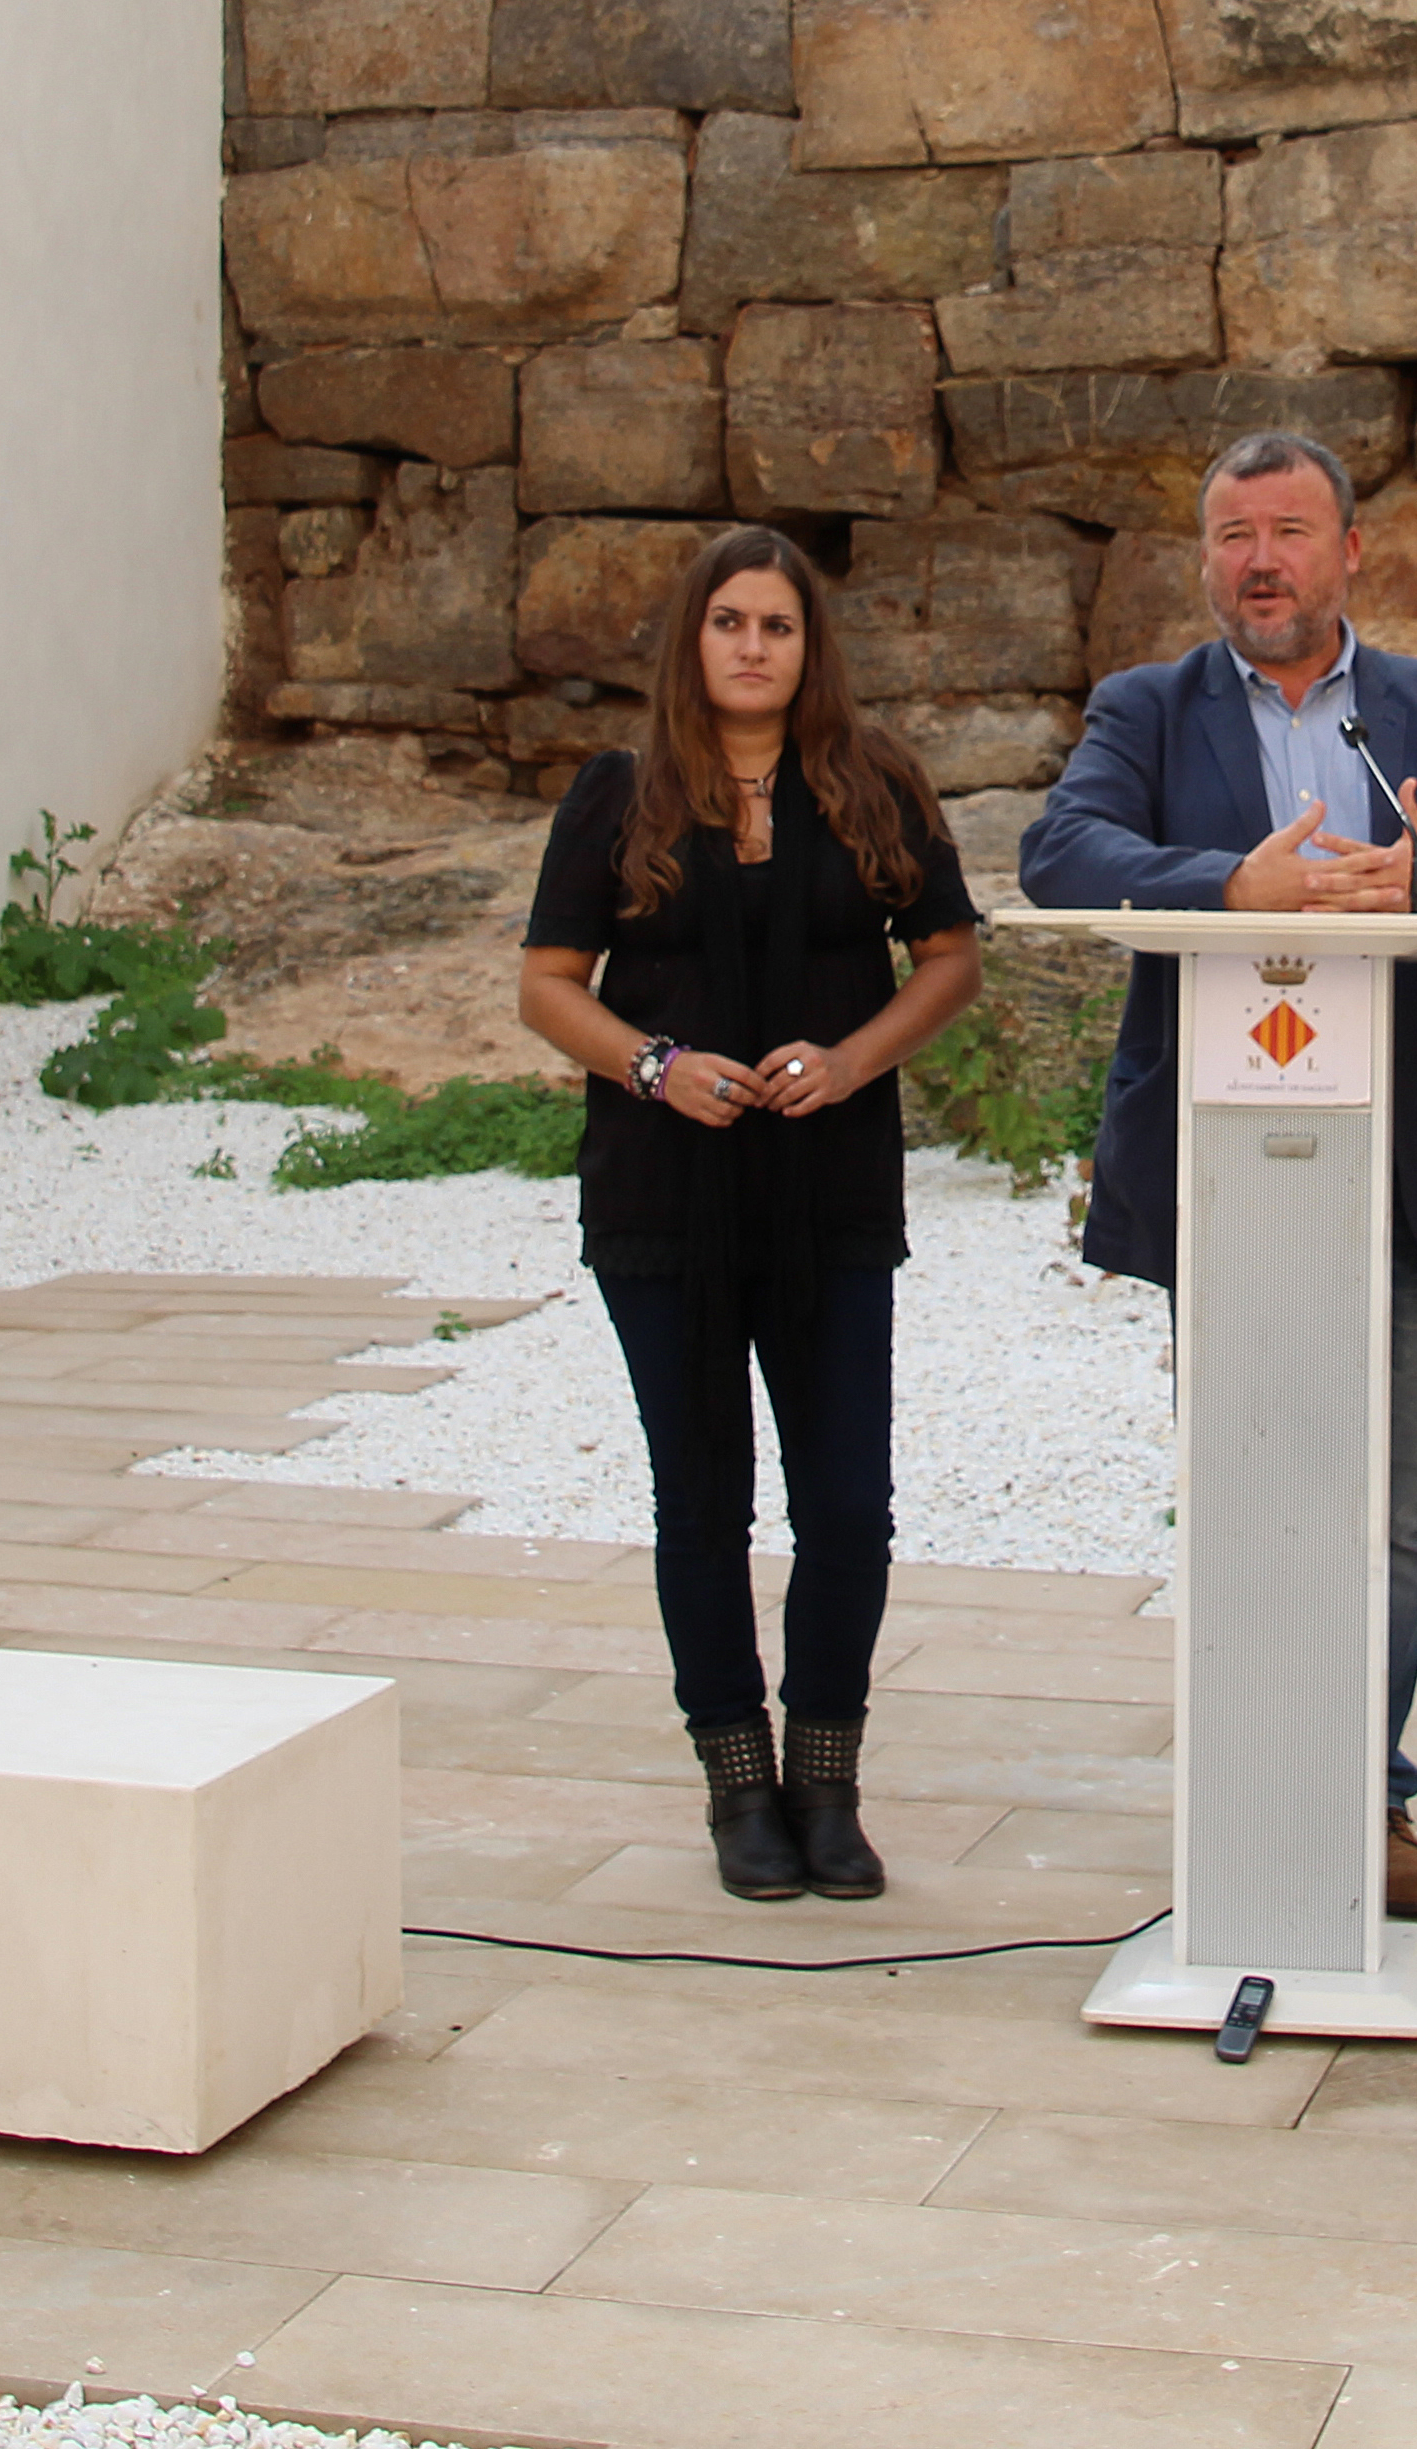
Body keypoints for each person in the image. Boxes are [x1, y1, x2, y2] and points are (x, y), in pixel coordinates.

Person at [1019, 430, 1417, 1920]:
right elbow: (1060, 854)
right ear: (1205, 559)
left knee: (1384, 1517)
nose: (1258, 559)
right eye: (1230, 534)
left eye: (1287, 530)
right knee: (1250, 1490)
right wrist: (1232, 886)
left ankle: (1365, 1797)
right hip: (1225, 1179)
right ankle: (1253, 1793)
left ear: (1349, 554)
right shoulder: (1144, 709)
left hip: (1394, 1171)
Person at [519, 526, 983, 1904]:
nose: (752, 645)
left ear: (808, 645)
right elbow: (548, 984)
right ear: (693, 638)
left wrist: (851, 1058)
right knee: (701, 1496)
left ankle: (827, 1775)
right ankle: (738, 1782)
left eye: (777, 625)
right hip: (667, 1199)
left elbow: (950, 958)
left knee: (847, 1501)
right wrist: (657, 1065)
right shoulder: (618, 795)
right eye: (730, 621)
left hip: (830, 1191)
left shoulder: (873, 783)